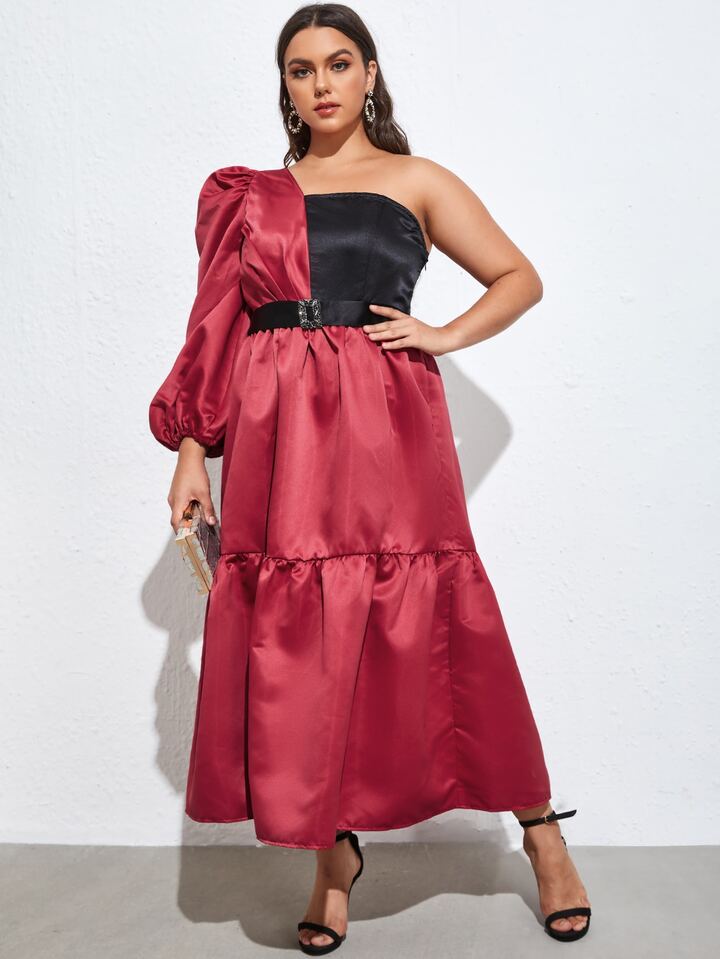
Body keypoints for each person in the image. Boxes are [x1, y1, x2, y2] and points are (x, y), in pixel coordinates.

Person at [148, 3, 592, 953]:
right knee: (301, 643)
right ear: (286, 86)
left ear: (371, 74)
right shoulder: (248, 196)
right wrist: (192, 449)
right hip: (277, 438)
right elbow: (214, 331)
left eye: (339, 63)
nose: (322, 84)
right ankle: (332, 855)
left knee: (441, 620)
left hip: (386, 425)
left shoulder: (415, 179)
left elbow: (518, 277)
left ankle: (541, 831)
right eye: (301, 69)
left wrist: (441, 334)